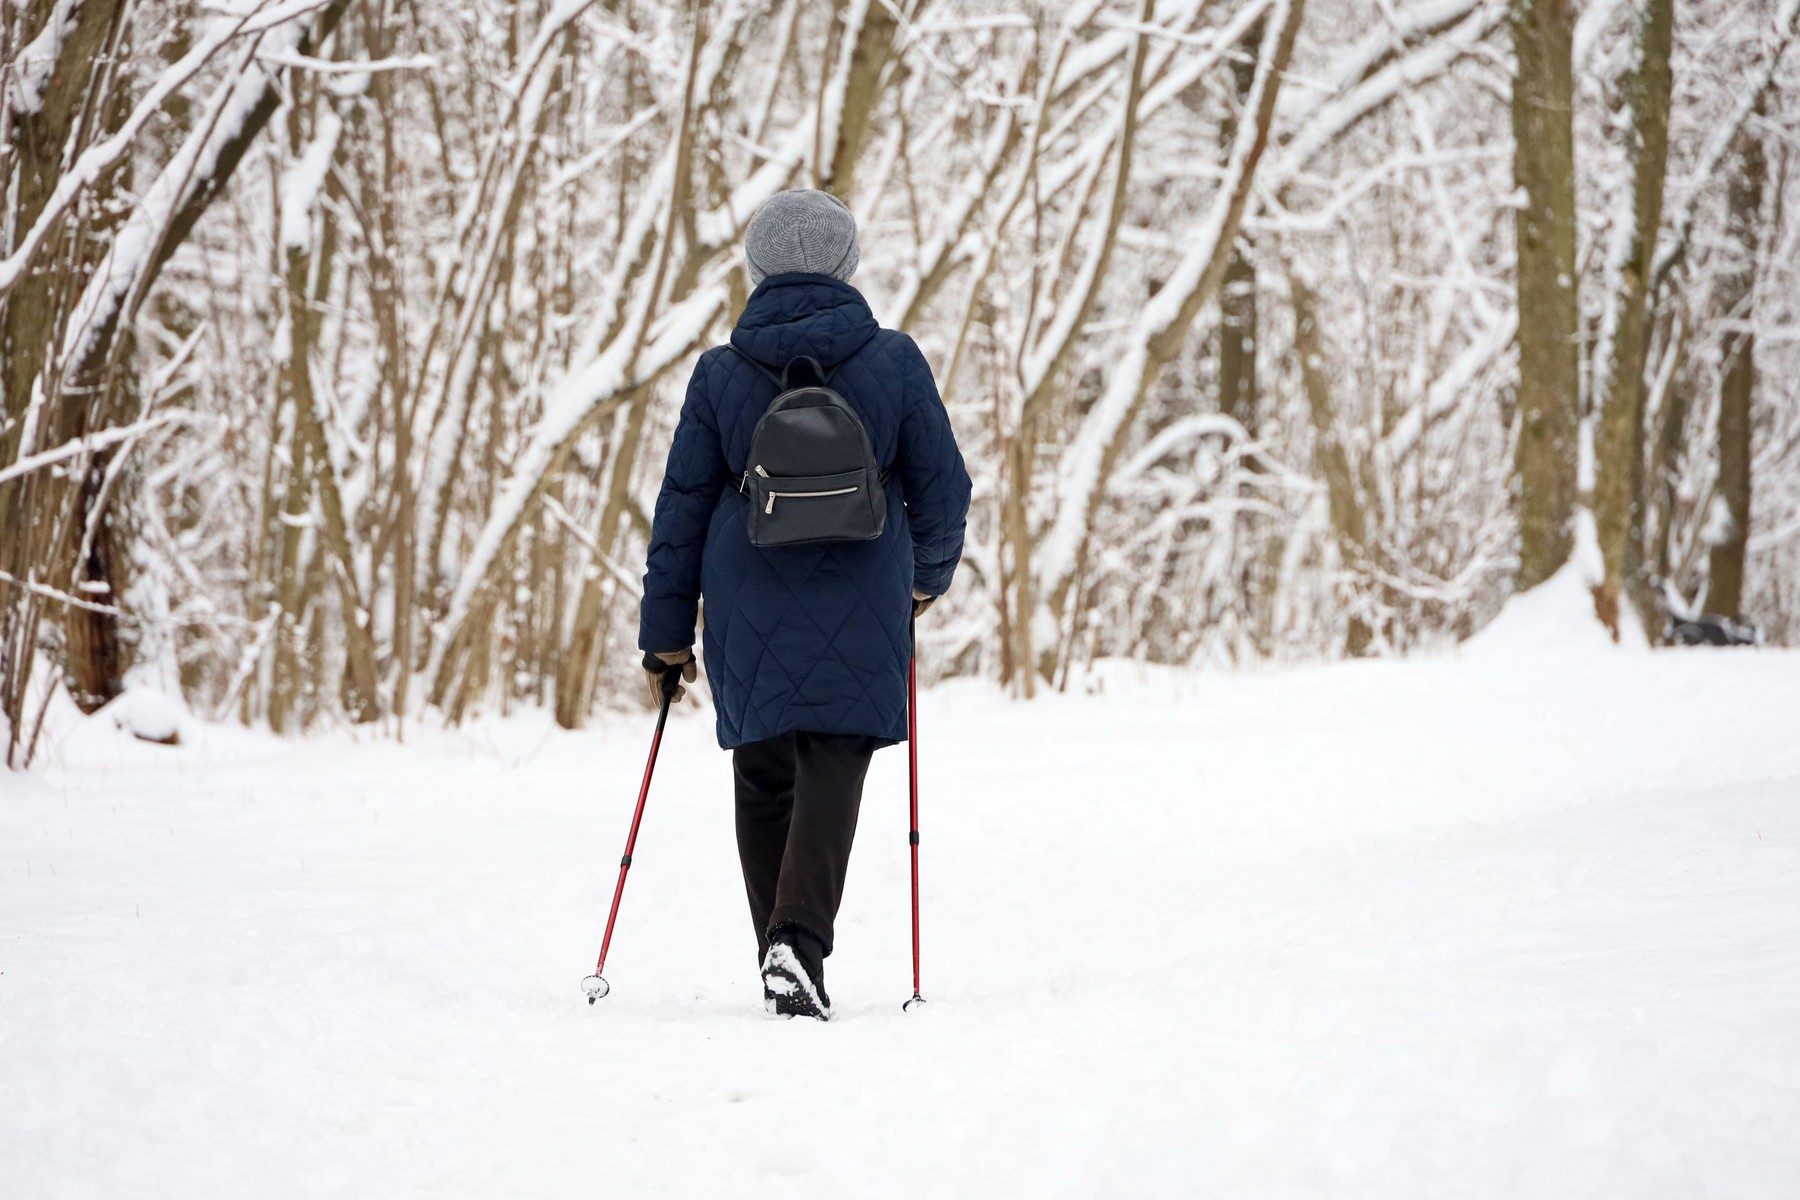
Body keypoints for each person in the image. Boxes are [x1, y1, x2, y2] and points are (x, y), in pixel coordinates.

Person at [637, 188, 972, 1021]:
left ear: (756, 271)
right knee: (834, 756)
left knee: (763, 768)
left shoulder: (720, 372)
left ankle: (778, 951)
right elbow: (944, 489)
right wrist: (926, 579)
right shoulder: (892, 360)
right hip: (863, 595)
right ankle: (799, 943)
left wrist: (666, 638)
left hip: (745, 600)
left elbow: (678, 513)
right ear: (848, 267)